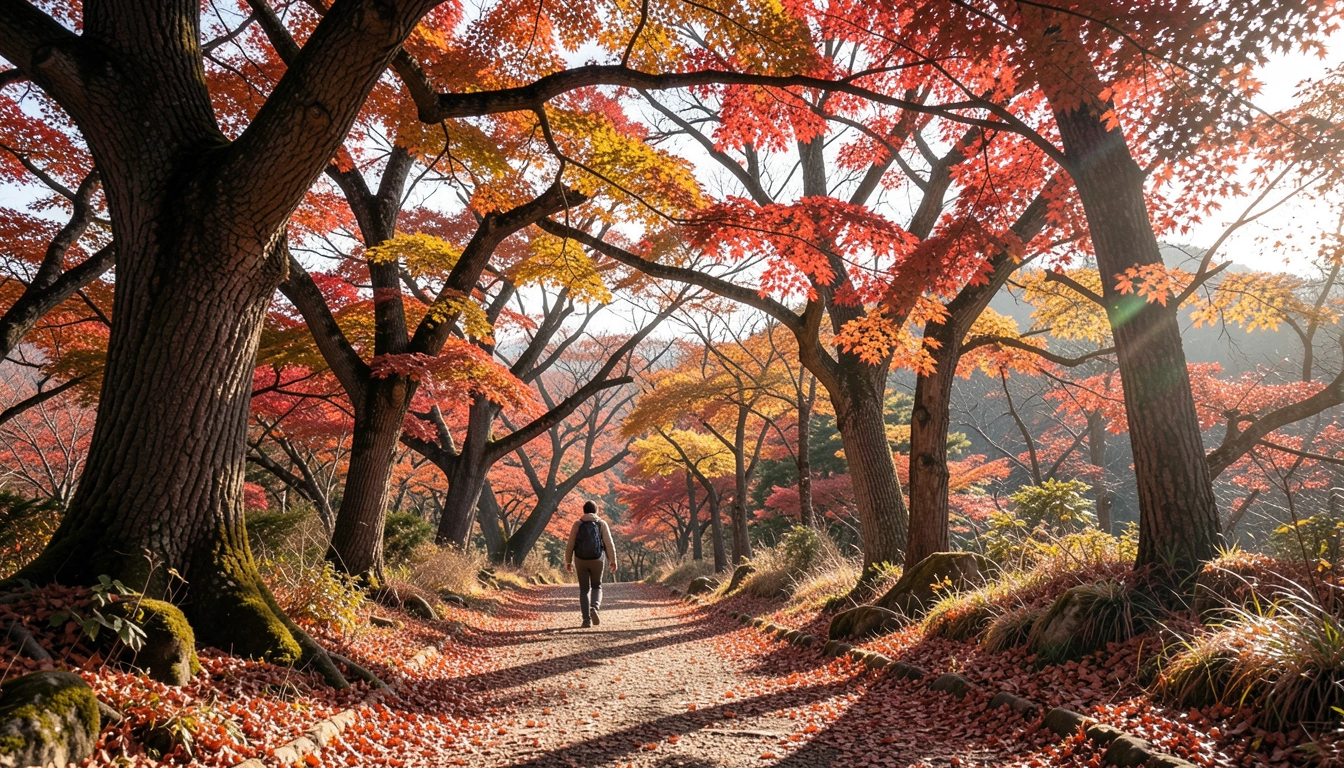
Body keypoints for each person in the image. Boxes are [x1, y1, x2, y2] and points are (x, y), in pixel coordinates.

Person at [565, 500, 617, 628]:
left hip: (580, 559)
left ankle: (586, 620)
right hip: (597, 559)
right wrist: (613, 561)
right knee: (597, 586)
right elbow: (609, 544)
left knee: (584, 590)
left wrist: (568, 561)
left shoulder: (577, 524)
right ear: (596, 511)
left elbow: (570, 544)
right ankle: (594, 607)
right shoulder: (601, 524)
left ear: (584, 510)